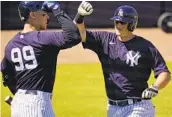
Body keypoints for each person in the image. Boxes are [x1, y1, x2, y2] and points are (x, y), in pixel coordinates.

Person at [74, 1, 171, 117]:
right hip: (113, 108)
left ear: (132, 25)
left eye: (122, 22)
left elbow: (164, 73)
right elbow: (81, 34)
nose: (118, 25)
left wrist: (155, 88)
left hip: (138, 107)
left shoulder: (145, 46)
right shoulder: (104, 40)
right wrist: (79, 16)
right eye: (116, 21)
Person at [1, 1, 81, 117]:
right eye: (44, 14)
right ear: (33, 15)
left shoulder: (11, 44)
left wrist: (21, 95)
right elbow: (74, 36)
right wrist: (57, 9)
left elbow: (6, 76)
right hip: (37, 105)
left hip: (19, 104)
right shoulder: (42, 39)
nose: (47, 18)